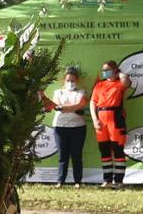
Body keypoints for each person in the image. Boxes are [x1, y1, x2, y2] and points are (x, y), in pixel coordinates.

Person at [92, 60, 131, 188]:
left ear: (115, 70)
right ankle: (107, 180)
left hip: (115, 118)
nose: (105, 72)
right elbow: (93, 103)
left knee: (118, 150)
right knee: (104, 150)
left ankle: (118, 181)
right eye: (103, 70)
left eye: (107, 70)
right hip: (101, 118)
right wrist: (94, 119)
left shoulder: (120, 83)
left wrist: (119, 73)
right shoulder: (99, 85)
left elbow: (126, 80)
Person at [48, 65, 88, 186]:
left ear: (77, 80)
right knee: (62, 156)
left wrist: (64, 108)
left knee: (76, 155)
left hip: (78, 127)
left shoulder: (82, 92)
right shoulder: (57, 92)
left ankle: (77, 181)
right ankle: (60, 181)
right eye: (68, 80)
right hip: (60, 127)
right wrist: (71, 108)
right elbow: (56, 106)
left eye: (73, 80)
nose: (70, 82)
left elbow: (79, 105)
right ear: (64, 80)